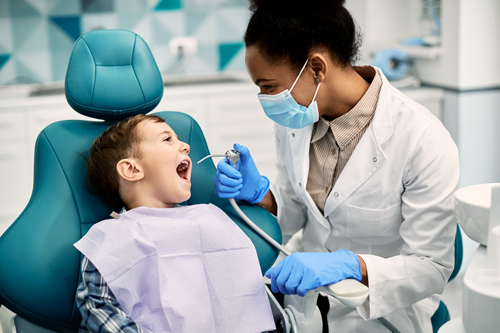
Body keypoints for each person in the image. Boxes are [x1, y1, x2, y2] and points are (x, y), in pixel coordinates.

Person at [213, 0, 460, 332]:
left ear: (316, 68)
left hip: (380, 313)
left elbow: (432, 268)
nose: (265, 99)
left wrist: (351, 266)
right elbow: (297, 213)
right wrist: (261, 196)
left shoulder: (422, 139)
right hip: (304, 301)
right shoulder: (294, 122)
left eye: (268, 87)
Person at [74, 114, 275, 333]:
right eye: (167, 139)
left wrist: (258, 194)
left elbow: (244, 297)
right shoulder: (113, 235)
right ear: (132, 170)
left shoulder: (207, 218)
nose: (186, 146)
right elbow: (97, 306)